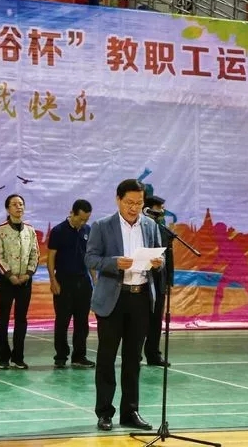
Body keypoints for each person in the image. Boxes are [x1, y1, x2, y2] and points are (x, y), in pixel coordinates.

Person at [85, 179, 163, 431]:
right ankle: (104, 412)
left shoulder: (150, 225)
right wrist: (114, 263)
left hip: (140, 297)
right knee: (107, 358)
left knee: (133, 358)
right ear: (118, 199)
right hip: (113, 299)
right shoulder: (102, 226)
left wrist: (158, 262)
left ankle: (130, 411)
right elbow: (90, 258)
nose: (134, 207)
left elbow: (159, 256)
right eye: (129, 202)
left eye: (139, 203)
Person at [47, 199, 95, 369]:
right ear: (72, 213)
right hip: (64, 281)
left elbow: (90, 257)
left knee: (82, 322)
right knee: (62, 320)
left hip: (83, 282)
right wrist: (53, 280)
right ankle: (61, 356)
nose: (82, 222)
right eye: (80, 219)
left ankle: (79, 356)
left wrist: (95, 280)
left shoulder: (88, 230)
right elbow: (51, 258)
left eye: (86, 219)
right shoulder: (58, 231)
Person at [0, 194, 39, 370]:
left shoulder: (30, 230)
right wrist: (10, 275)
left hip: (25, 281)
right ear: (8, 209)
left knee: (21, 319)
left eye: (21, 204)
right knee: (3, 319)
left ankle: (18, 357)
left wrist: (28, 274)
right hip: (7, 281)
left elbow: (35, 254)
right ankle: (3, 357)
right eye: (14, 204)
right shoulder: (2, 230)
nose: (18, 207)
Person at [143, 195, 172, 367]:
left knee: (156, 322)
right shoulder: (142, 227)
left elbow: (168, 257)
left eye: (162, 208)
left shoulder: (163, 228)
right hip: (143, 281)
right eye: (158, 207)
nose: (162, 211)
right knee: (140, 321)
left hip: (159, 280)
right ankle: (134, 355)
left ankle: (153, 355)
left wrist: (168, 281)